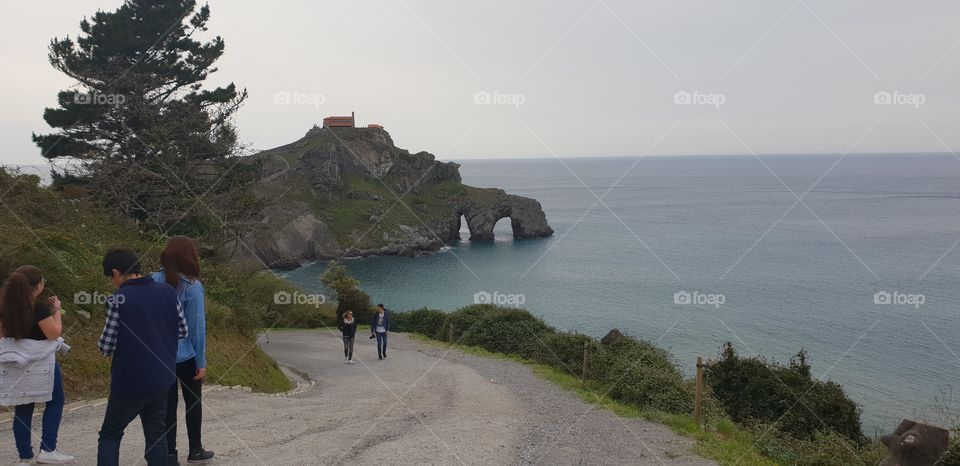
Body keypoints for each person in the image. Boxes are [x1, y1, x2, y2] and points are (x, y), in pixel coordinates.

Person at [97, 249, 188, 466]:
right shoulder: (167, 292)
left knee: (110, 434)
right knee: (156, 435)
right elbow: (183, 330)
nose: (112, 282)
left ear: (116, 273)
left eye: (111, 277)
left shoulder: (118, 299)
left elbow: (106, 346)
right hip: (163, 377)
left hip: (129, 380)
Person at [0, 265, 75, 465]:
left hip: (16, 365)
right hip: (41, 363)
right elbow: (53, 333)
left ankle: (25, 456)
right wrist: (57, 310)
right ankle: (48, 449)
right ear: (38, 285)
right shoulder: (39, 309)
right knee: (55, 401)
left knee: (23, 409)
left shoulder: (5, 308)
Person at [152, 236, 214, 465]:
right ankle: (195, 449)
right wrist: (201, 361)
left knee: (167, 405)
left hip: (159, 354)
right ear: (190, 256)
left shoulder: (152, 280)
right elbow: (197, 327)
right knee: (193, 402)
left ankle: (169, 454)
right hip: (186, 355)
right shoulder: (192, 286)